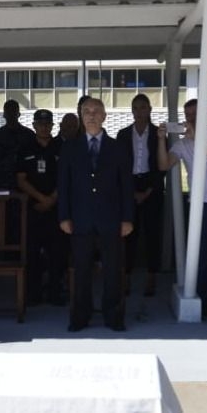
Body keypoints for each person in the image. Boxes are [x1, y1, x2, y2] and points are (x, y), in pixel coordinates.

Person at [58, 96, 132, 332]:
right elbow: (64, 186)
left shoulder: (117, 147)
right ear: (81, 116)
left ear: (104, 116)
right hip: (80, 219)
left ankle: (113, 316)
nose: (91, 115)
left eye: (96, 111)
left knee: (112, 271)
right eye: (86, 111)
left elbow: (127, 186)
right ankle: (81, 315)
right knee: (81, 271)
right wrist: (64, 216)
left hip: (111, 219)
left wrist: (127, 218)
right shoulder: (69, 148)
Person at [156, 99, 207, 318]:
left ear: (204, 115)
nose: (190, 118)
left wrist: (198, 138)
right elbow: (163, 165)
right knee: (200, 259)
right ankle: (205, 303)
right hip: (198, 206)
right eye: (187, 114)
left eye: (195, 114)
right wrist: (161, 140)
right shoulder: (182, 144)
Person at [16, 108, 68, 306]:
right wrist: (40, 198)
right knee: (32, 253)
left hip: (55, 209)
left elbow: (66, 178)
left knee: (57, 252)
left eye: (48, 124)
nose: (44, 127)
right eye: (40, 124)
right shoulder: (25, 147)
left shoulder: (61, 147)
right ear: (34, 126)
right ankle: (33, 294)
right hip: (33, 208)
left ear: (53, 126)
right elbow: (20, 179)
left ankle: (55, 292)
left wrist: (52, 199)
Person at [120, 94, 166, 297]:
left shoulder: (158, 134)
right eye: (136, 108)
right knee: (128, 233)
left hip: (152, 187)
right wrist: (131, 192)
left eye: (143, 107)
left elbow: (162, 167)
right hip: (129, 186)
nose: (139, 111)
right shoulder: (122, 135)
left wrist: (147, 191)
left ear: (149, 110)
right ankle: (126, 276)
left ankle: (151, 277)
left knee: (152, 234)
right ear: (132, 111)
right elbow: (119, 167)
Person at [0, 99, 35, 192]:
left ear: (18, 114)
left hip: (25, 185)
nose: (11, 115)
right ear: (4, 114)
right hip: (1, 183)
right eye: (8, 112)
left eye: (13, 112)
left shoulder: (29, 135)